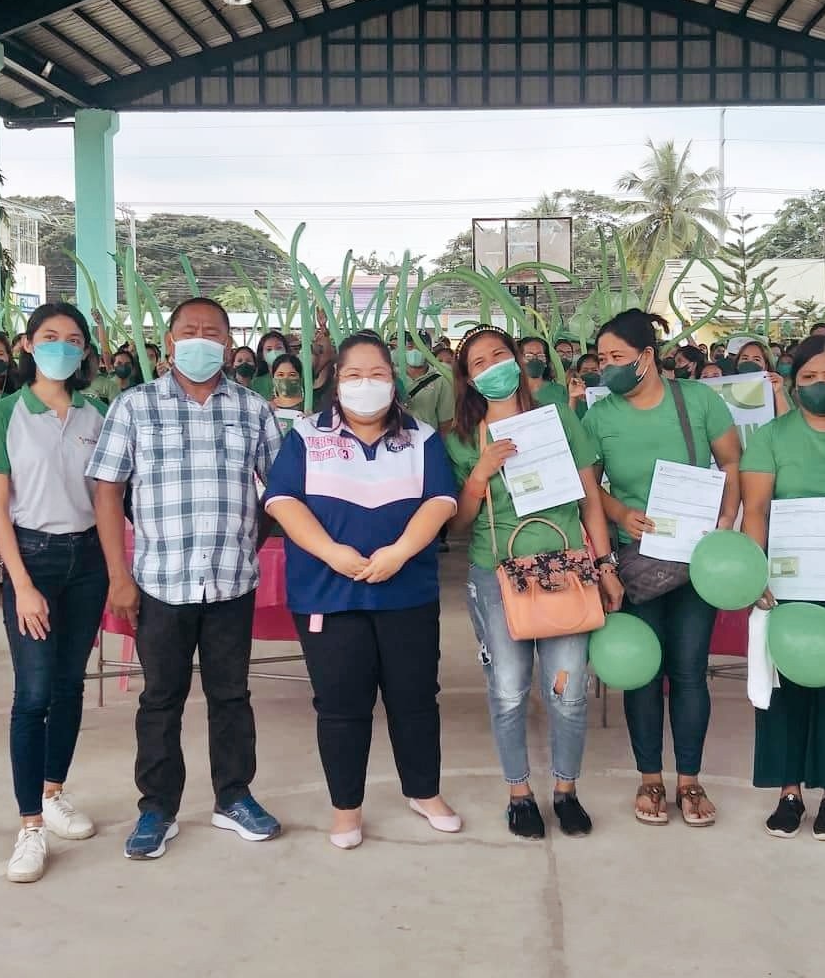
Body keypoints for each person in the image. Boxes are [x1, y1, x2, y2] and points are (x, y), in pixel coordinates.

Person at [88, 297, 285, 858]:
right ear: (170, 340)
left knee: (231, 695)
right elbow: (107, 491)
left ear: (228, 342)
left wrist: (254, 535)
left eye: (213, 331)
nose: (201, 339)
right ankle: (156, 808)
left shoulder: (254, 409)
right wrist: (117, 576)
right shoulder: (133, 406)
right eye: (189, 330)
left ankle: (234, 797)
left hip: (232, 580)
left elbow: (283, 488)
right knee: (160, 699)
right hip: (159, 581)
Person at [264, 333, 460, 848]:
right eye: (354, 375)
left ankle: (424, 791)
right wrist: (332, 552)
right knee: (341, 705)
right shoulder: (307, 435)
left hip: (406, 593)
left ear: (393, 382)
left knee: (415, 698)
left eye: (377, 374)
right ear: (336, 382)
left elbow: (440, 500)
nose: (365, 384)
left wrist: (399, 552)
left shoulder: (420, 437)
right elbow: (283, 501)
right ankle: (346, 809)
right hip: (330, 595)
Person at [446, 327, 622, 840]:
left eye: (499, 354)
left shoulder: (557, 415)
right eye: (479, 362)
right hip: (497, 575)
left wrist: (605, 564)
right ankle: (518, 793)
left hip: (567, 568)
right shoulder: (460, 436)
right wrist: (480, 472)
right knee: (507, 691)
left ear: (518, 360)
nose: (492, 365)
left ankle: (566, 790)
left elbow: (590, 494)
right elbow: (457, 525)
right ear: (468, 378)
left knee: (567, 691)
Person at [584, 310, 742, 827]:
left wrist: (725, 517)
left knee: (690, 672)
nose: (606, 367)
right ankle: (650, 778)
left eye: (617, 358)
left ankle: (690, 782)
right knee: (642, 673)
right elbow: (590, 491)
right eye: (602, 359)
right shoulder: (600, 416)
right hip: (636, 564)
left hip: (695, 560)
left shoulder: (697, 400)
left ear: (647, 356)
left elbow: (731, 464)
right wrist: (619, 513)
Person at [0, 303, 112, 884]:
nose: (61, 346)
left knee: (70, 683)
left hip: (88, 560)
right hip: (32, 556)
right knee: (33, 692)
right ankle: (29, 823)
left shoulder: (96, 414)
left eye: (73, 339)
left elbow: (106, 497)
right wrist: (20, 583)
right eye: (50, 336)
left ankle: (54, 791)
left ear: (85, 351)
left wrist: (116, 569)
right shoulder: (6, 414)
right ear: (27, 345)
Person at [740, 336, 825, 843]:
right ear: (793, 383)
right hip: (787, 585)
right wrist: (757, 575)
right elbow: (755, 511)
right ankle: (789, 793)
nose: (820, 386)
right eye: (810, 378)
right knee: (785, 692)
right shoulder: (770, 436)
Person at [401, 334, 455, 440]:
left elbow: (445, 423)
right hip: (396, 442)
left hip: (426, 441)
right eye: (411, 347)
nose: (415, 351)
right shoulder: (393, 376)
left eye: (420, 347)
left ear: (429, 350)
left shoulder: (440, 380)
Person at [516, 335, 570, 410]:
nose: (535, 359)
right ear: (519, 360)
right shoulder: (512, 391)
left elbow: (567, 416)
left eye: (540, 355)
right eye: (529, 356)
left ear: (546, 361)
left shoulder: (559, 391)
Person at [266, 352, 310, 434]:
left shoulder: (309, 406)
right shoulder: (266, 407)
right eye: (280, 375)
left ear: (300, 378)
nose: (286, 379)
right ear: (273, 378)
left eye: (292, 375)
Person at [250, 329, 289, 399]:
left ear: (286, 351)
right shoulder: (256, 383)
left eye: (279, 348)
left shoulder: (299, 377)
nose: (274, 352)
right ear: (262, 355)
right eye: (269, 349)